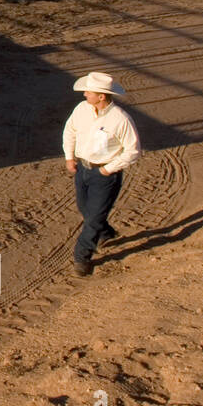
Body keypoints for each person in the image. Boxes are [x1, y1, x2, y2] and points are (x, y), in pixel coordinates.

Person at [62, 72, 141, 276]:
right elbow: (70, 131)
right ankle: (106, 233)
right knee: (85, 208)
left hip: (106, 175)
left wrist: (109, 168)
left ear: (101, 96)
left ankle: (82, 257)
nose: (85, 94)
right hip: (83, 169)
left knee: (94, 217)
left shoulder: (121, 119)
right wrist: (70, 157)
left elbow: (133, 150)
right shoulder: (82, 110)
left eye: (89, 92)